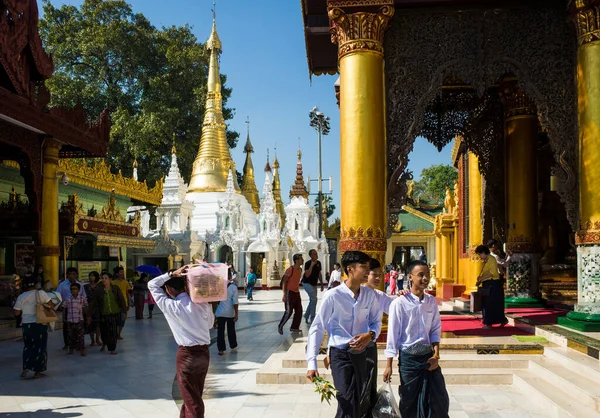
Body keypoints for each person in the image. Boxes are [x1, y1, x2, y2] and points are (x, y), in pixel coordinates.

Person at [306, 250, 382, 418]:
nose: (367, 272)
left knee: (364, 401)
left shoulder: (370, 295)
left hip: (365, 353)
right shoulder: (333, 296)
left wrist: (369, 334)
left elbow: (377, 321)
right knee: (347, 400)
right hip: (341, 355)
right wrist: (312, 363)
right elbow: (317, 327)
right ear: (350, 269)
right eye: (363, 267)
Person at [383, 260, 449, 418]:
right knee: (409, 400)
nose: (425, 278)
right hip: (409, 360)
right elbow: (393, 336)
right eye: (421, 275)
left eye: (427, 274)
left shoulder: (431, 301)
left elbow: (435, 330)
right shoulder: (399, 303)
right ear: (410, 277)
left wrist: (436, 356)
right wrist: (389, 365)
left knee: (437, 399)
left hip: (428, 357)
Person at [148, 265, 214, 418]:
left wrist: (170, 274)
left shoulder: (170, 305)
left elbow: (151, 284)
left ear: (169, 290)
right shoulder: (203, 303)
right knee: (193, 395)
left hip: (187, 356)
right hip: (204, 354)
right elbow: (210, 324)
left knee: (192, 400)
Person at [13, 275, 55, 378]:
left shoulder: (22, 296)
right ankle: (38, 371)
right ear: (37, 284)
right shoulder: (40, 293)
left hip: (26, 325)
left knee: (28, 346)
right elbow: (51, 305)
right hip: (39, 323)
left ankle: (26, 366)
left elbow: (16, 312)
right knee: (40, 347)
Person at [90, 272, 127, 355]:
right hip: (103, 314)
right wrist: (89, 314)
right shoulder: (99, 290)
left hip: (114, 313)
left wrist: (125, 311)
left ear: (110, 280)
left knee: (113, 331)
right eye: (102, 278)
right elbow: (93, 303)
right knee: (104, 331)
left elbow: (121, 300)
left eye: (106, 278)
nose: (104, 280)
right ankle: (104, 343)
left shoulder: (115, 288)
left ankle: (112, 348)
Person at [475, 245, 508, 328]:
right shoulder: (484, 261)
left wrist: (481, 278)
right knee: (486, 304)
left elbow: (492, 272)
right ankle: (499, 320)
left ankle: (489, 323)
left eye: (479, 254)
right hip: (486, 283)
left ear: (483, 252)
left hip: (493, 284)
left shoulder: (491, 259)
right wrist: (480, 279)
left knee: (490, 304)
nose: (479, 256)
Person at [56, 267, 86, 350]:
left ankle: (78, 344)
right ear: (67, 275)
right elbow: (57, 296)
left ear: (76, 275)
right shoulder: (62, 285)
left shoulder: (80, 285)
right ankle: (67, 343)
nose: (71, 276)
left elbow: (84, 296)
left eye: (73, 274)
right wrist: (59, 306)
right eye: (69, 274)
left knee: (78, 328)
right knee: (67, 327)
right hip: (67, 308)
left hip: (78, 310)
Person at [278, 254, 304, 335]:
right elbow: (284, 281)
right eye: (301, 259)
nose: (302, 260)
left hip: (296, 292)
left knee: (299, 310)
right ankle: (280, 326)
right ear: (296, 260)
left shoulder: (300, 269)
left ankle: (294, 327)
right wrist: (284, 294)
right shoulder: (290, 269)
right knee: (289, 311)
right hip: (290, 292)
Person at [215, 269, 239, 355]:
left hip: (220, 312)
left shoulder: (218, 286)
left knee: (220, 331)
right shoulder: (233, 287)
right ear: (229, 275)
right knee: (231, 330)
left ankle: (221, 349)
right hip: (230, 313)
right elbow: (235, 302)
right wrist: (236, 314)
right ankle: (233, 345)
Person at [64, 282, 88, 356]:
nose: (73, 290)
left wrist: (87, 317)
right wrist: (63, 318)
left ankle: (82, 349)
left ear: (78, 290)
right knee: (71, 336)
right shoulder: (68, 299)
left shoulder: (82, 299)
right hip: (70, 320)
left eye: (75, 289)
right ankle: (71, 349)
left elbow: (85, 308)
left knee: (80, 336)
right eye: (71, 289)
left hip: (79, 319)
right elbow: (64, 308)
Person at [302, 249, 324, 324]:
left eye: (316, 253)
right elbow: (307, 274)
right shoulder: (308, 263)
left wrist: (321, 284)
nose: (316, 255)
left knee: (312, 300)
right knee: (314, 299)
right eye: (314, 254)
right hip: (307, 283)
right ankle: (313, 317)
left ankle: (306, 315)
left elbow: (319, 274)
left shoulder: (319, 263)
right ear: (311, 256)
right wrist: (312, 265)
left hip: (314, 284)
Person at [112, 266, 131, 340]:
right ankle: (115, 333)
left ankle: (118, 334)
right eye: (121, 272)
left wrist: (128, 304)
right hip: (116, 304)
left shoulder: (125, 282)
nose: (122, 273)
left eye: (123, 272)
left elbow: (127, 294)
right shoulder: (113, 283)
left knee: (122, 320)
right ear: (117, 274)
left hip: (124, 304)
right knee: (116, 320)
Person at [84, 271, 101, 346]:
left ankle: (97, 339)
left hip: (97, 307)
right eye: (90, 275)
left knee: (97, 324)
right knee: (90, 324)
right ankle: (92, 340)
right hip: (89, 307)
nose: (91, 277)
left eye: (93, 276)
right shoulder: (86, 287)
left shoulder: (99, 287)